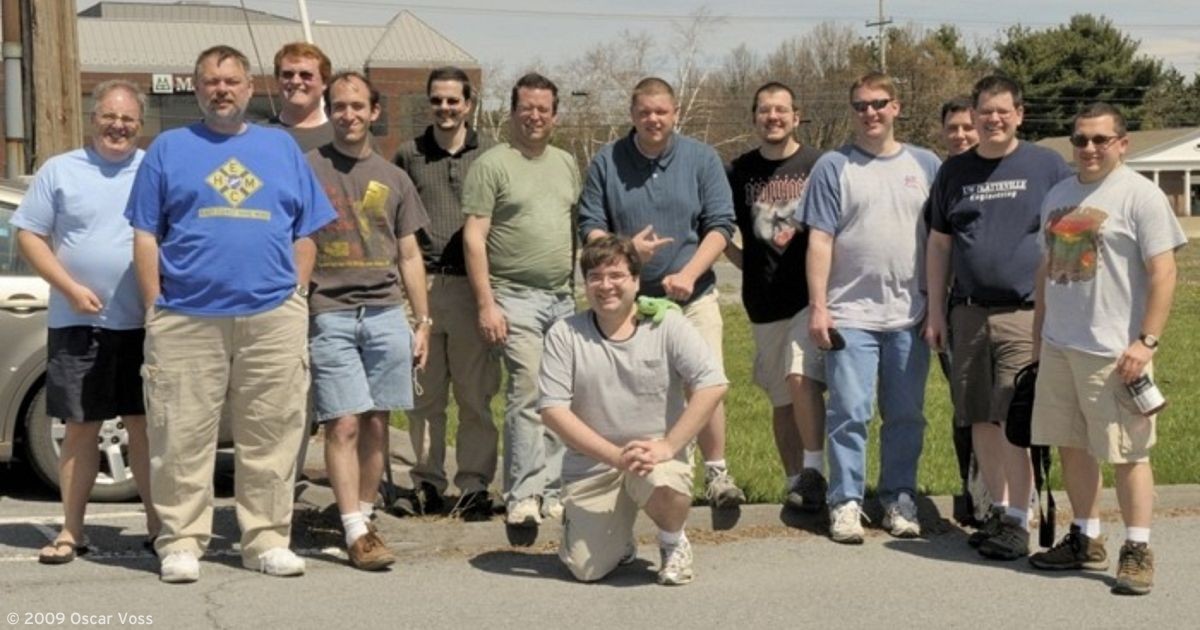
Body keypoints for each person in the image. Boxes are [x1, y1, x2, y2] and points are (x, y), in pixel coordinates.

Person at [125, 45, 336, 583]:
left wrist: (297, 291)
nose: (222, 89)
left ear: (249, 88)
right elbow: (146, 233)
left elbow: (306, 229)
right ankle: (181, 542)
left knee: (272, 432)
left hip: (271, 316)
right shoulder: (168, 149)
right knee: (180, 433)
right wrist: (155, 304)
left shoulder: (281, 148)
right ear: (196, 89)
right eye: (211, 81)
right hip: (186, 316)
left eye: (232, 81)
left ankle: (265, 539)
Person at [1027, 103, 1186, 596]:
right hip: (1060, 345)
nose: (1089, 149)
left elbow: (1164, 272)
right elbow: (1046, 271)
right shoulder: (1058, 194)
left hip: (1114, 351)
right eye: (1080, 140)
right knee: (1072, 443)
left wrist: (1146, 341)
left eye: (1100, 139)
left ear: (1122, 143)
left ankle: (1137, 548)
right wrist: (1038, 338)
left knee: (1127, 452)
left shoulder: (1140, 196)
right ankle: (1085, 536)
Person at [925, 75, 1073, 560]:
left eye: (1002, 111)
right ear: (975, 113)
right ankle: (998, 509)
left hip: (1025, 313)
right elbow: (940, 243)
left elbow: (1071, 233)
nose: (993, 119)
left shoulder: (1046, 166)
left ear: (1019, 114)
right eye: (985, 111)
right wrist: (935, 311)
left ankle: (1017, 519)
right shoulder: (954, 172)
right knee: (979, 417)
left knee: (1013, 416)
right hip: (967, 313)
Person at [578, 77, 744, 508]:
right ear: (632, 115)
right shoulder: (607, 161)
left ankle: (717, 474)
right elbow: (590, 224)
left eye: (661, 112)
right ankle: (641, 477)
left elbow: (720, 226)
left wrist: (689, 273)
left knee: (705, 383)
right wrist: (627, 251)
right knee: (636, 390)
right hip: (628, 303)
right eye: (644, 112)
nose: (653, 119)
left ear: (675, 114)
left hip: (694, 296)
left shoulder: (701, 159)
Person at [13, 80, 159, 564]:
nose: (119, 126)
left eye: (128, 119)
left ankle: (161, 528)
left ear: (141, 124)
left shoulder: (154, 169)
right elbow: (29, 235)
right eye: (110, 117)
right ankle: (70, 532)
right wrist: (69, 288)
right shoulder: (61, 171)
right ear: (93, 118)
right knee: (80, 427)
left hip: (145, 323)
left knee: (144, 427)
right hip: (78, 322)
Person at [799, 72, 940, 544]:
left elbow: (941, 243)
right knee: (850, 412)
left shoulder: (926, 164)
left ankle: (898, 498)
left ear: (896, 107)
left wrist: (935, 307)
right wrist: (819, 307)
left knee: (905, 415)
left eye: (879, 103)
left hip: (909, 315)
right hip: (849, 315)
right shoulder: (832, 167)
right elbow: (819, 239)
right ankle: (846, 502)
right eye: (860, 105)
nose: (870, 113)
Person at [540, 235, 727, 585]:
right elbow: (552, 409)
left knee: (663, 482)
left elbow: (713, 383)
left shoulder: (667, 325)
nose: (605, 285)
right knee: (586, 569)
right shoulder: (565, 334)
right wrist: (614, 456)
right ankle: (616, 537)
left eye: (616, 276)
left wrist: (669, 446)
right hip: (593, 465)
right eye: (595, 277)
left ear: (636, 281)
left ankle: (673, 542)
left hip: (653, 457)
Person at [306, 72, 431, 570]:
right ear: (329, 110)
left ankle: (363, 515)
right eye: (340, 106)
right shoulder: (307, 169)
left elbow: (408, 253)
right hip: (329, 313)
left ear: (374, 112)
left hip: (384, 314)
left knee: (378, 422)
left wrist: (420, 321)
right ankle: (355, 530)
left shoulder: (394, 178)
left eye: (358, 106)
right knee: (343, 423)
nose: (349, 114)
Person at [462, 72, 579, 530]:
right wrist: (487, 303)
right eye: (526, 108)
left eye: (543, 109)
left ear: (554, 115)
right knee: (527, 391)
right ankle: (523, 493)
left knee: (560, 396)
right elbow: (475, 237)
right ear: (512, 112)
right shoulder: (493, 165)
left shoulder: (567, 163)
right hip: (514, 296)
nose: (534, 116)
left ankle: (553, 489)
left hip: (561, 299)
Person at [395, 67, 500, 520]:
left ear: (469, 104)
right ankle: (426, 482)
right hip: (422, 285)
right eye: (437, 101)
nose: (444, 109)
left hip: (473, 286)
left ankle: (474, 484)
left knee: (475, 395)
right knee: (424, 394)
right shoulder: (408, 156)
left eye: (453, 101)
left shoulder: (492, 156)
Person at [724, 82, 827, 511]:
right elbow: (715, 226)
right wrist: (738, 259)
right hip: (762, 304)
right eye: (765, 110)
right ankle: (794, 483)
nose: (773, 117)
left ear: (796, 115)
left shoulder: (819, 165)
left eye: (781, 109)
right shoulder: (739, 170)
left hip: (808, 297)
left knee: (801, 380)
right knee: (782, 399)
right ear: (755, 118)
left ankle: (815, 472)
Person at [934, 95, 983, 526]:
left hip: (1003, 310)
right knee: (965, 404)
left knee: (1006, 405)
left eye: (968, 126)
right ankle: (972, 492)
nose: (961, 135)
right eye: (953, 128)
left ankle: (1004, 497)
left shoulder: (999, 171)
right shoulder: (944, 176)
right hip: (953, 311)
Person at [264, 42, 333, 152]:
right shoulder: (258, 136)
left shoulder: (343, 136)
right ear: (277, 80)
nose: (295, 81)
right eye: (288, 75)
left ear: (325, 82)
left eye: (305, 75)